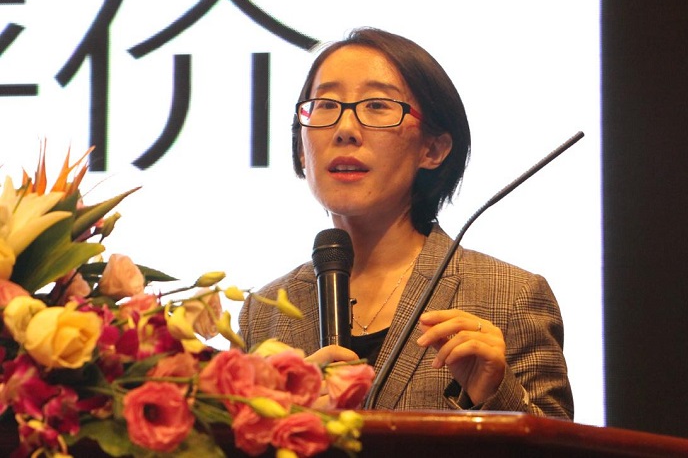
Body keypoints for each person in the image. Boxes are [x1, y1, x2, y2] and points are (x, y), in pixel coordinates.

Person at [238, 27, 573, 418]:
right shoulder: (264, 314)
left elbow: (557, 441)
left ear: (433, 149)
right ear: (301, 149)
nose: (345, 130)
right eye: (325, 105)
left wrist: (493, 394)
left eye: (377, 106)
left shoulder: (510, 295)